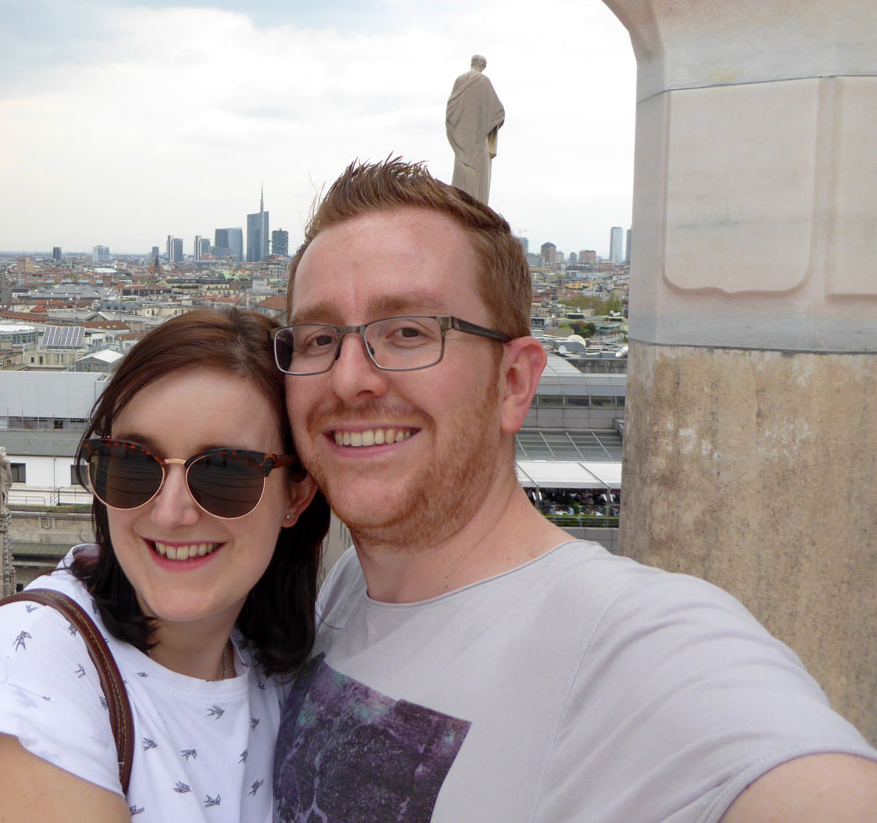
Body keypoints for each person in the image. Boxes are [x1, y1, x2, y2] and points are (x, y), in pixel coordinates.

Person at [270, 158, 877, 822]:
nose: (349, 377)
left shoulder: (633, 644)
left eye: (410, 332)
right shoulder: (348, 586)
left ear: (514, 383)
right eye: (319, 338)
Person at [0, 308, 328, 823]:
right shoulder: (25, 669)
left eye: (225, 472)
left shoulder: (282, 666)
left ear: (297, 496)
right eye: (134, 464)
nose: (171, 513)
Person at [444, 54, 504, 203]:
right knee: (477, 176)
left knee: (461, 172)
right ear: (483, 65)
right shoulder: (483, 81)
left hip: (461, 138)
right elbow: (498, 112)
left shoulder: (459, 79)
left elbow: (450, 112)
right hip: (476, 140)